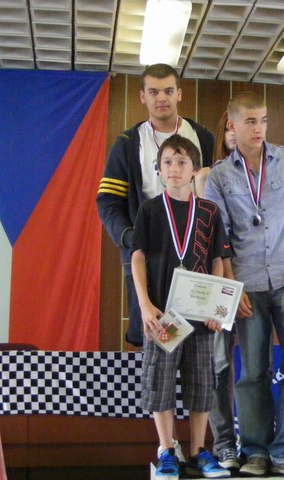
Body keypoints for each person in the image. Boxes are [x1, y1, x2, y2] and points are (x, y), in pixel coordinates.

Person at [204, 91, 284, 477]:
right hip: (248, 285)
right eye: (251, 121)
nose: (259, 129)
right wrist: (232, 287)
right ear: (232, 126)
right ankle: (254, 450)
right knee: (253, 372)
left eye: (264, 120)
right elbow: (220, 237)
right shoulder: (219, 176)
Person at [131, 135, 230, 478]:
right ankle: (166, 449)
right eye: (168, 162)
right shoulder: (150, 209)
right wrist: (145, 304)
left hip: (199, 316)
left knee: (201, 384)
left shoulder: (209, 211)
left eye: (182, 162)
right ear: (159, 169)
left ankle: (199, 451)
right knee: (159, 381)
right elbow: (138, 257)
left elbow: (216, 261)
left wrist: (216, 308)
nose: (174, 168)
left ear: (194, 170)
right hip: (164, 315)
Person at [97, 63, 215, 349]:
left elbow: (216, 194)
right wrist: (131, 238)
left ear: (179, 94)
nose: (161, 98)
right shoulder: (127, 144)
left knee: (196, 337)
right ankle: (156, 379)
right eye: (153, 92)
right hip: (149, 252)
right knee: (155, 337)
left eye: (168, 91)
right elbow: (108, 201)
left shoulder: (202, 136)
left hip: (195, 251)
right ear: (142, 96)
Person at [196, 111, 240, 470]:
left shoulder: (264, 176)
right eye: (228, 127)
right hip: (219, 277)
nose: (234, 133)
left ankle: (258, 442)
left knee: (256, 367)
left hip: (256, 277)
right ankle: (225, 443)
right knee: (219, 367)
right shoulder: (206, 176)